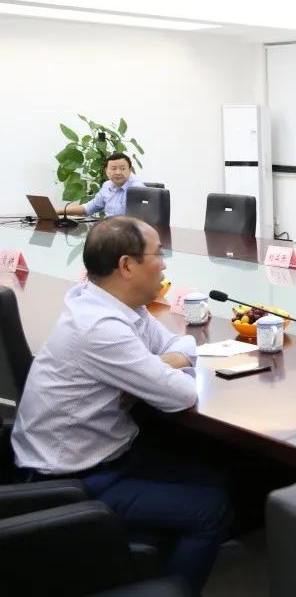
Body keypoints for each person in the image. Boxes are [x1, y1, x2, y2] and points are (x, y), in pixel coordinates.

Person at [12, 216, 231, 593]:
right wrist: (154, 372)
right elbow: (183, 395)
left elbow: (181, 345)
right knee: (211, 510)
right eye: (158, 254)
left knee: (218, 478)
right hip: (70, 478)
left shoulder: (112, 302)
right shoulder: (101, 328)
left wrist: (153, 367)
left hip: (106, 454)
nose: (164, 265)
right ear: (127, 265)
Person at [62, 152, 145, 217]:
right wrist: (58, 211)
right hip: (110, 229)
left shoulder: (136, 188)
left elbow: (133, 220)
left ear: (130, 170)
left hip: (128, 231)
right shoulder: (107, 185)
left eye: (123, 168)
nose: (118, 172)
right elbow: (90, 207)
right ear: (106, 170)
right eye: (113, 168)